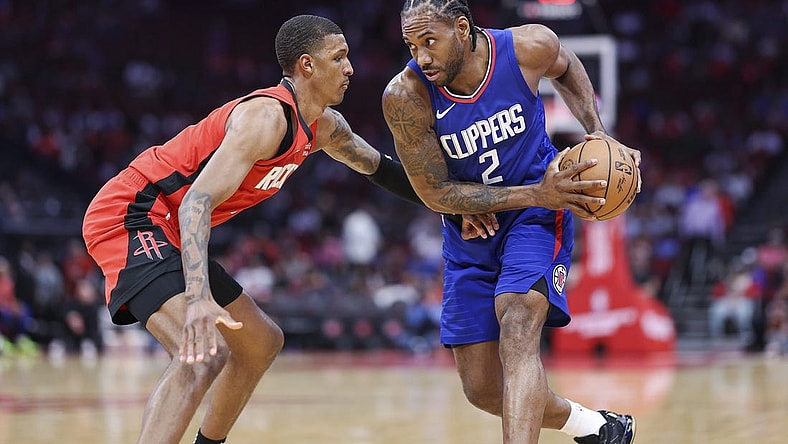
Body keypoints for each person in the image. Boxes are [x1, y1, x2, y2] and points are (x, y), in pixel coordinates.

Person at [82, 15, 477, 444]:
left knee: (261, 342)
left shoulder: (325, 127)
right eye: (339, 57)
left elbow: (383, 171)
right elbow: (196, 202)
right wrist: (198, 300)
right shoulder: (265, 118)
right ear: (307, 66)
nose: (350, 69)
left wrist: (455, 204)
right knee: (200, 354)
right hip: (131, 215)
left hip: (171, 228)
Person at [382, 1, 640, 443]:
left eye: (430, 42)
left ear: (461, 28)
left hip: (537, 215)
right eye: (411, 45)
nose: (421, 57)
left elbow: (567, 63)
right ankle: (593, 426)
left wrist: (596, 130)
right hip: (471, 228)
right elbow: (432, 191)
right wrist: (515, 195)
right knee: (482, 390)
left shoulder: (526, 47)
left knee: (518, 321)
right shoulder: (406, 96)